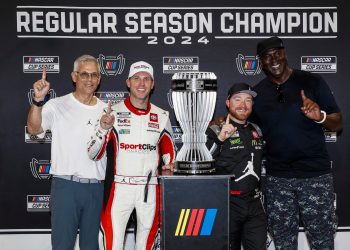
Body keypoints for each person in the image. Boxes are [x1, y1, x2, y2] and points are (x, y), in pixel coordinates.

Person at [253, 36, 342, 249]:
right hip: (277, 180)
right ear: (261, 62)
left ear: (285, 54)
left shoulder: (312, 82)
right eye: (267, 56)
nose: (273, 59)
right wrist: (221, 120)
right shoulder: (257, 93)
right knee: (283, 244)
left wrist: (320, 117)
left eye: (277, 53)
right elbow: (246, 126)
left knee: (323, 242)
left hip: (315, 177)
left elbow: (337, 123)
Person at [87, 61, 176, 250]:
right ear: (128, 82)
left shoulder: (162, 116)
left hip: (149, 189)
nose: (141, 83)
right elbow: (93, 154)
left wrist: (170, 165)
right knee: (113, 244)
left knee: (146, 245)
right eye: (136, 78)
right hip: (119, 189)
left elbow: (170, 155)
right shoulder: (112, 112)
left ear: (153, 84)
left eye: (146, 79)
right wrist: (103, 129)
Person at [27, 55, 107, 250]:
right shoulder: (56, 105)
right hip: (65, 187)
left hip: (95, 188)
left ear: (99, 79)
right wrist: (38, 101)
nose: (89, 79)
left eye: (94, 75)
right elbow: (33, 129)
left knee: (91, 246)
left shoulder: (107, 110)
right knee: (62, 245)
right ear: (74, 76)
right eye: (84, 74)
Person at [206, 83, 266, 250]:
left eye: (248, 100)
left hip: (254, 205)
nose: (243, 105)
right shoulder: (215, 128)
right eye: (237, 99)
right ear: (227, 103)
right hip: (227, 204)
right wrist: (219, 140)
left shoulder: (256, 130)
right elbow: (203, 161)